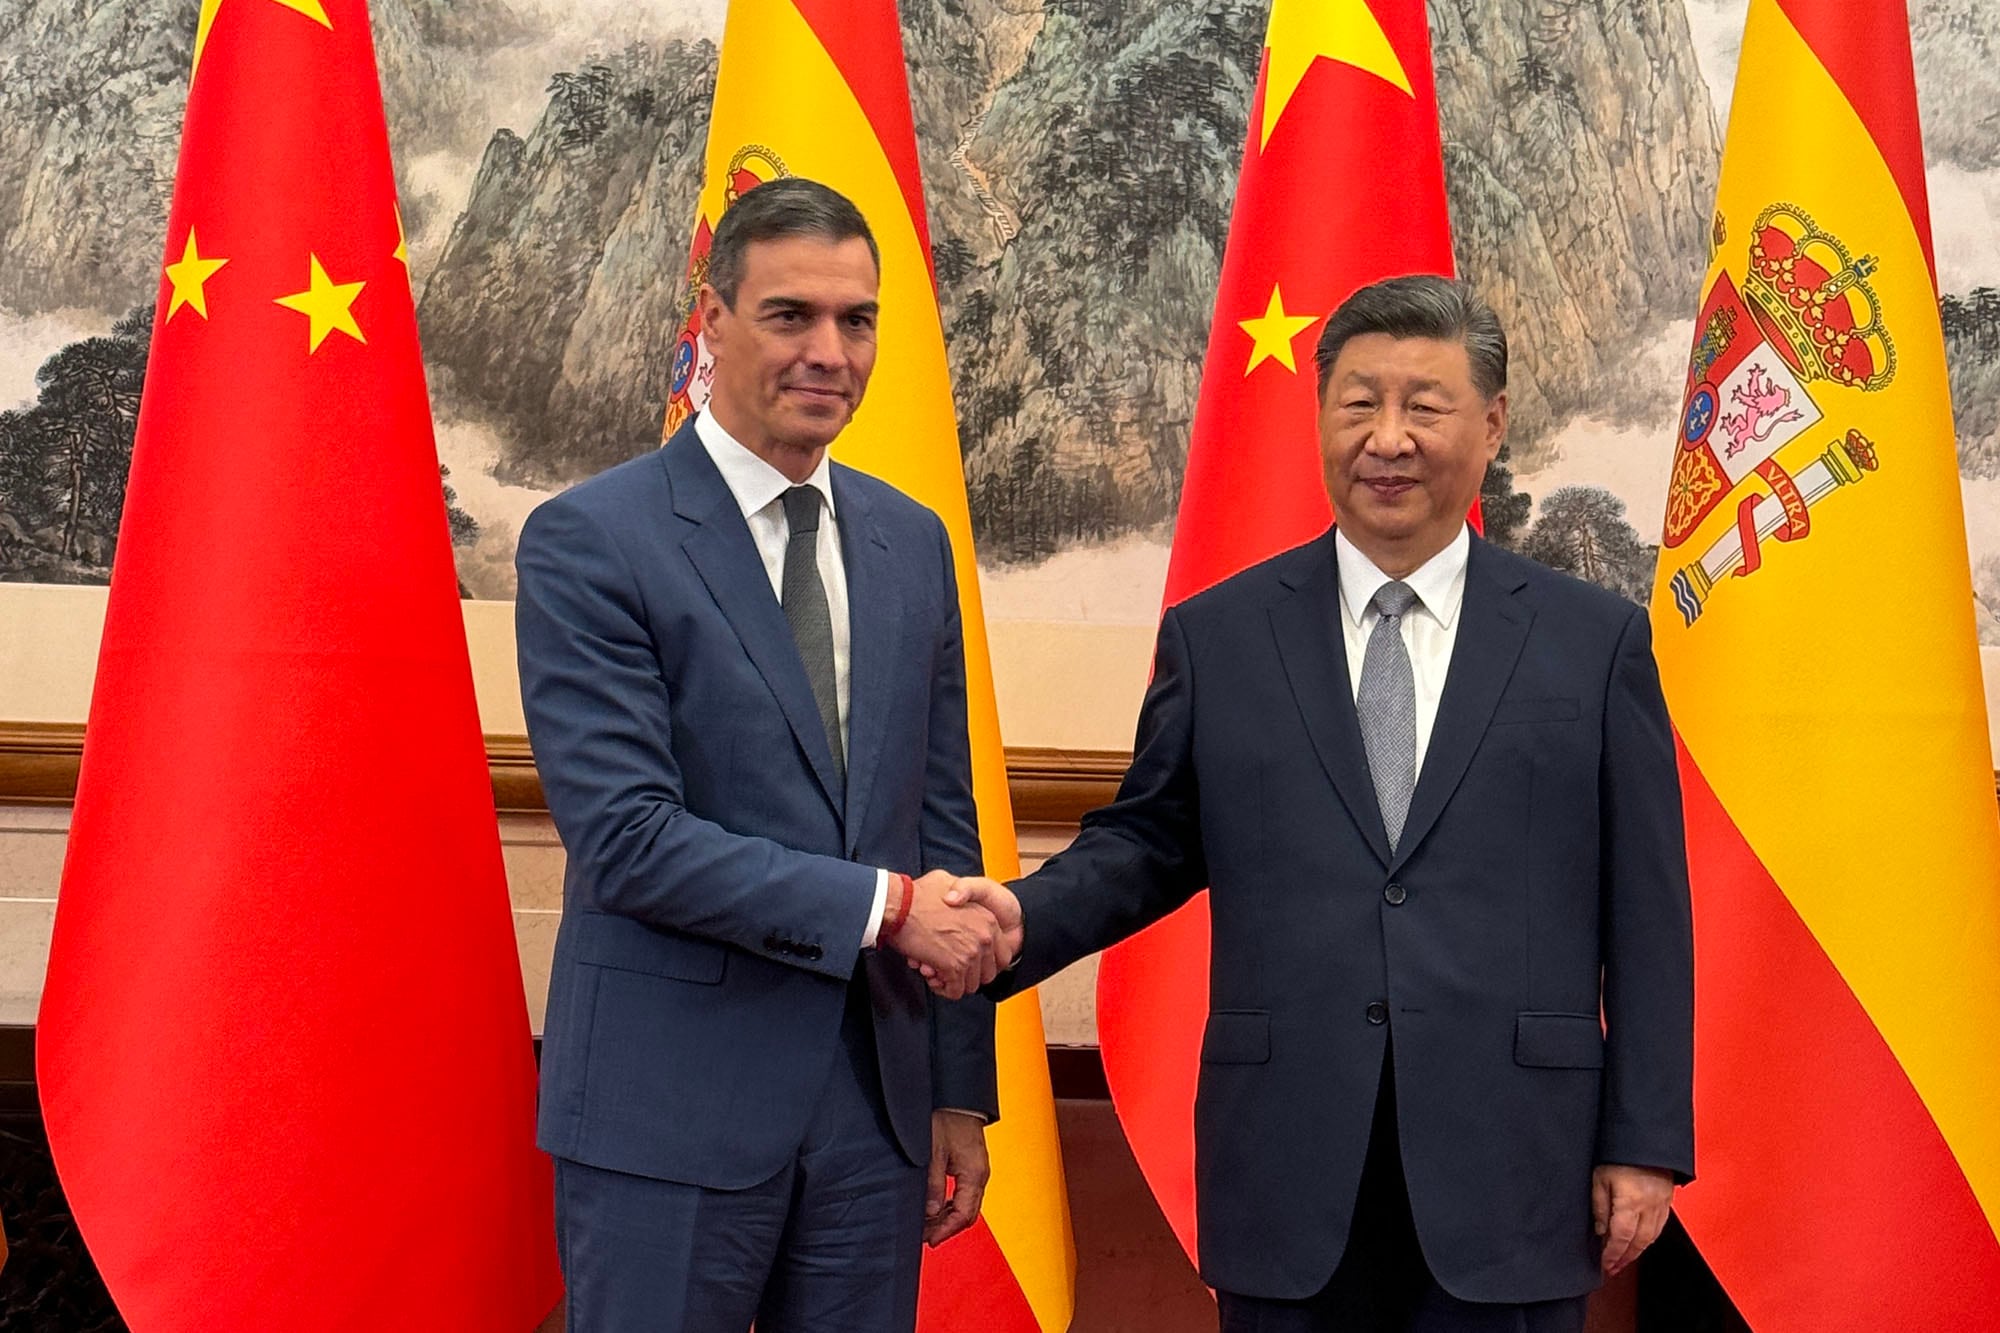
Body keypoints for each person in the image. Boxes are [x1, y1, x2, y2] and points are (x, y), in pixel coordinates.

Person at [953, 275, 1694, 1332]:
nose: (1386, 438)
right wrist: (1016, 919)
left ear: (1491, 424)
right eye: (1357, 403)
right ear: (1318, 418)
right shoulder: (1222, 635)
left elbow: (1648, 912)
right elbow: (1148, 841)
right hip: (1287, 1160)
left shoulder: (1592, 642)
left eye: (1423, 405)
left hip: (1516, 1163)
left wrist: (1644, 1139)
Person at [516, 176, 1011, 1333]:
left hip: (873, 1115)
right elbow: (629, 841)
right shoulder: (592, 540)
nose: (829, 352)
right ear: (713, 318)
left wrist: (955, 1089)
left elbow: (941, 823)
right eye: (791, 314)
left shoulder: (910, 542)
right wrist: (889, 910)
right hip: (665, 1109)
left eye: (856, 319)